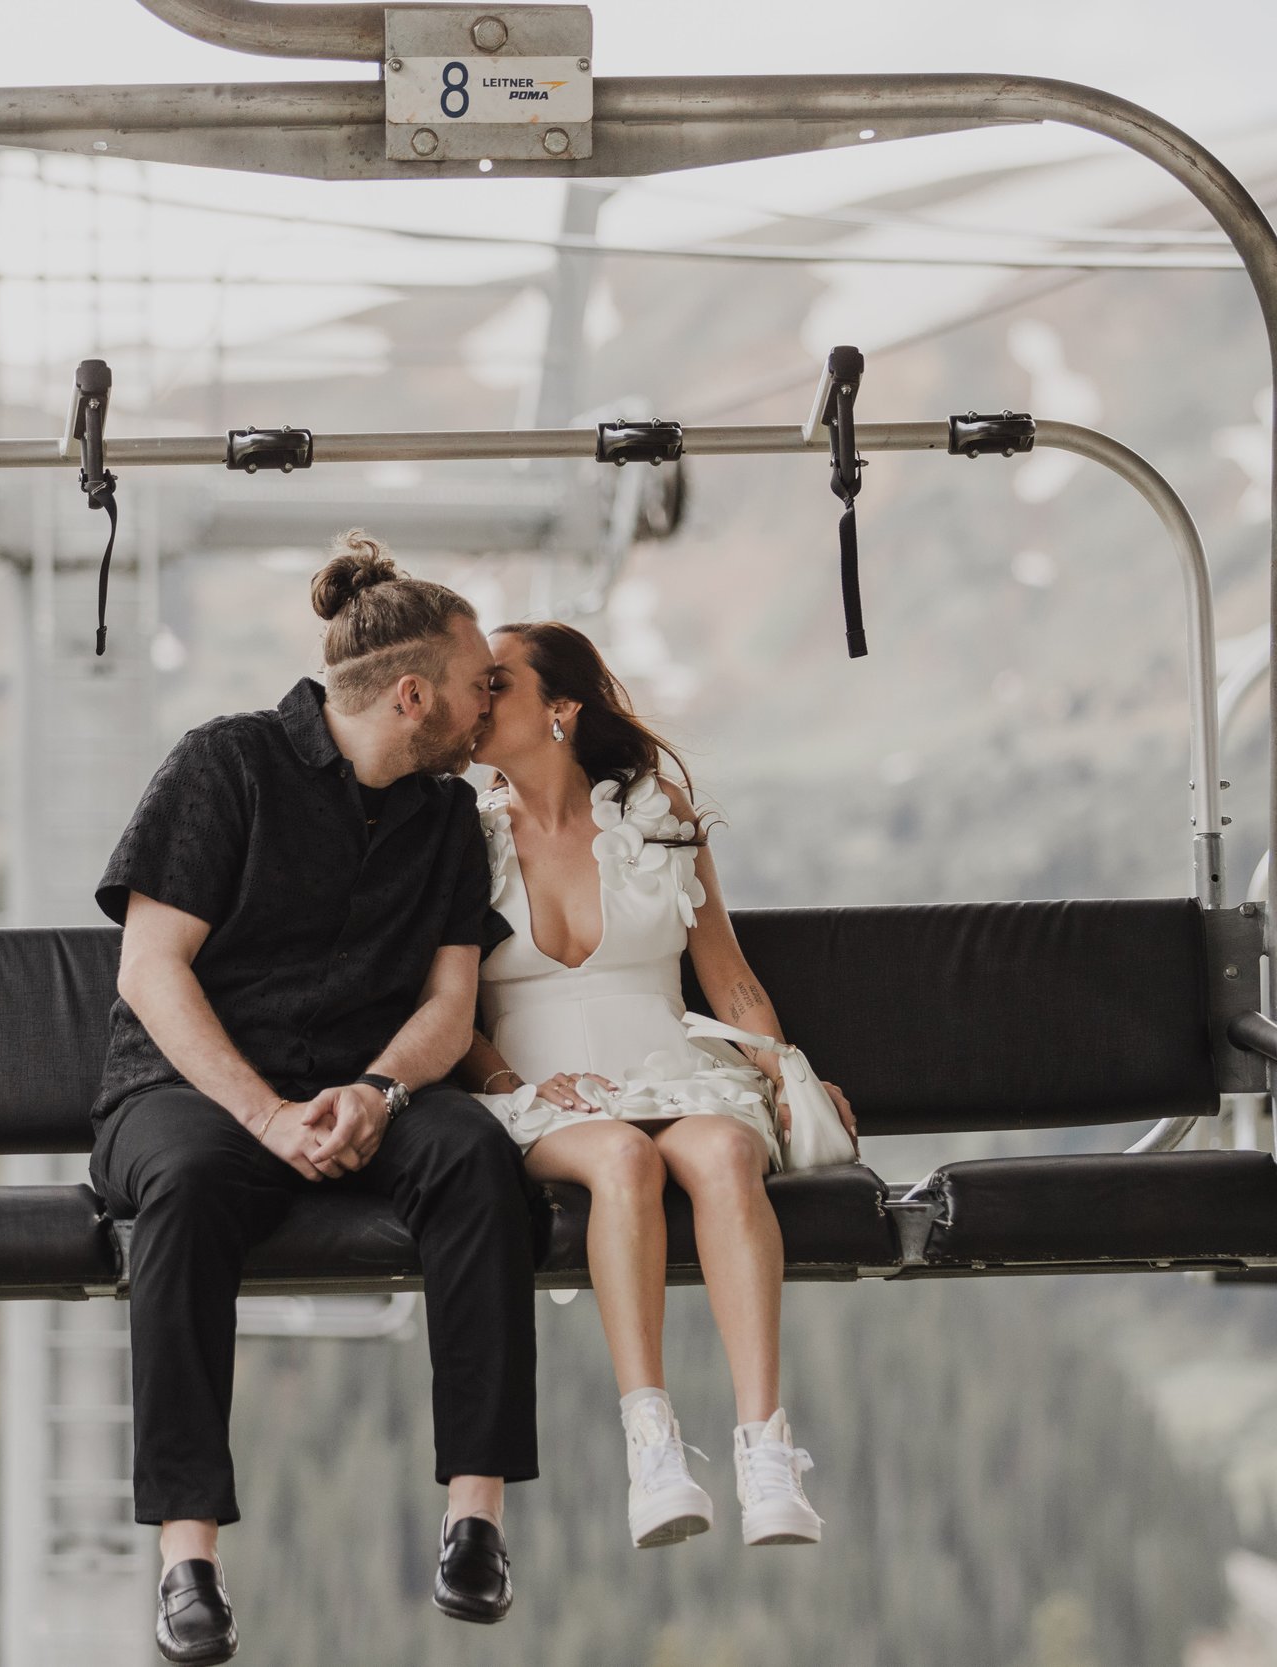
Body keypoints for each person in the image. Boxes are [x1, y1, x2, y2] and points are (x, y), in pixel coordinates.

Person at [92, 530, 541, 1666]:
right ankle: (186, 1555)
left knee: (477, 1160)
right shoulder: (225, 765)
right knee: (186, 1189)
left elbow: (449, 1003)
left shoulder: (444, 819)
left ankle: (474, 1518)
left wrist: (381, 1091)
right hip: (193, 1091)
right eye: (480, 681)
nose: (491, 700)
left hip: (362, 1087)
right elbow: (151, 970)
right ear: (411, 694)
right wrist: (264, 1113)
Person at [455, 621, 856, 1551]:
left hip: (677, 1065)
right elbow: (450, 1010)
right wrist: (515, 1082)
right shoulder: (461, 835)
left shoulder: (654, 810)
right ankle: (653, 1447)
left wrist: (786, 1071)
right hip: (544, 1090)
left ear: (561, 710)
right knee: (626, 1162)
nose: (473, 701)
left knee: (720, 1151)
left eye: (495, 684)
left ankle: (765, 1449)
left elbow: (729, 976)